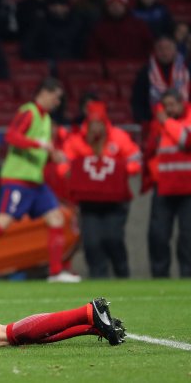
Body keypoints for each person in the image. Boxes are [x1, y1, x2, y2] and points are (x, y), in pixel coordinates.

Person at [0, 78, 81, 283]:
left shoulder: (46, 119)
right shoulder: (29, 112)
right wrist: (38, 144)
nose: (58, 102)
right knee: (2, 222)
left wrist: (54, 155)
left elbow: (41, 148)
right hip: (17, 180)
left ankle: (56, 271)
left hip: (36, 182)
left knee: (56, 218)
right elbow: (12, 136)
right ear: (45, 93)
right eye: (56, 97)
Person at [60, 101, 141, 278]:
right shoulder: (77, 140)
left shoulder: (119, 137)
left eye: (99, 122)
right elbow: (64, 164)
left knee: (113, 239)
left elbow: (135, 160)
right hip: (89, 203)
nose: (96, 127)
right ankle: (98, 279)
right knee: (92, 242)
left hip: (115, 201)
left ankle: (123, 274)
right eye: (93, 123)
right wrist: (71, 173)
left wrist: (120, 171)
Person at [144, 89, 191, 277]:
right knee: (158, 236)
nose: (169, 109)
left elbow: (187, 140)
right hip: (164, 187)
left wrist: (166, 121)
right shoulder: (159, 126)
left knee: (188, 237)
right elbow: (150, 151)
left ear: (182, 102)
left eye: (172, 104)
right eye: (166, 106)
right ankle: (159, 276)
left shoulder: (182, 121)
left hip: (188, 189)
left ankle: (188, 275)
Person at [131, 36, 189, 124]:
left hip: (186, 119)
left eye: (168, 48)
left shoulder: (187, 69)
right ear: (155, 50)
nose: (164, 52)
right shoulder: (145, 72)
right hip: (154, 120)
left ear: (175, 49)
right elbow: (138, 100)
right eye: (160, 48)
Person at [87, 0, 153, 61]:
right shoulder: (100, 27)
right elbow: (93, 51)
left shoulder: (139, 25)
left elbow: (149, 46)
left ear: (125, 7)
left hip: (137, 66)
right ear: (107, 8)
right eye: (112, 5)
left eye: (119, 5)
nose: (116, 8)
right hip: (109, 67)